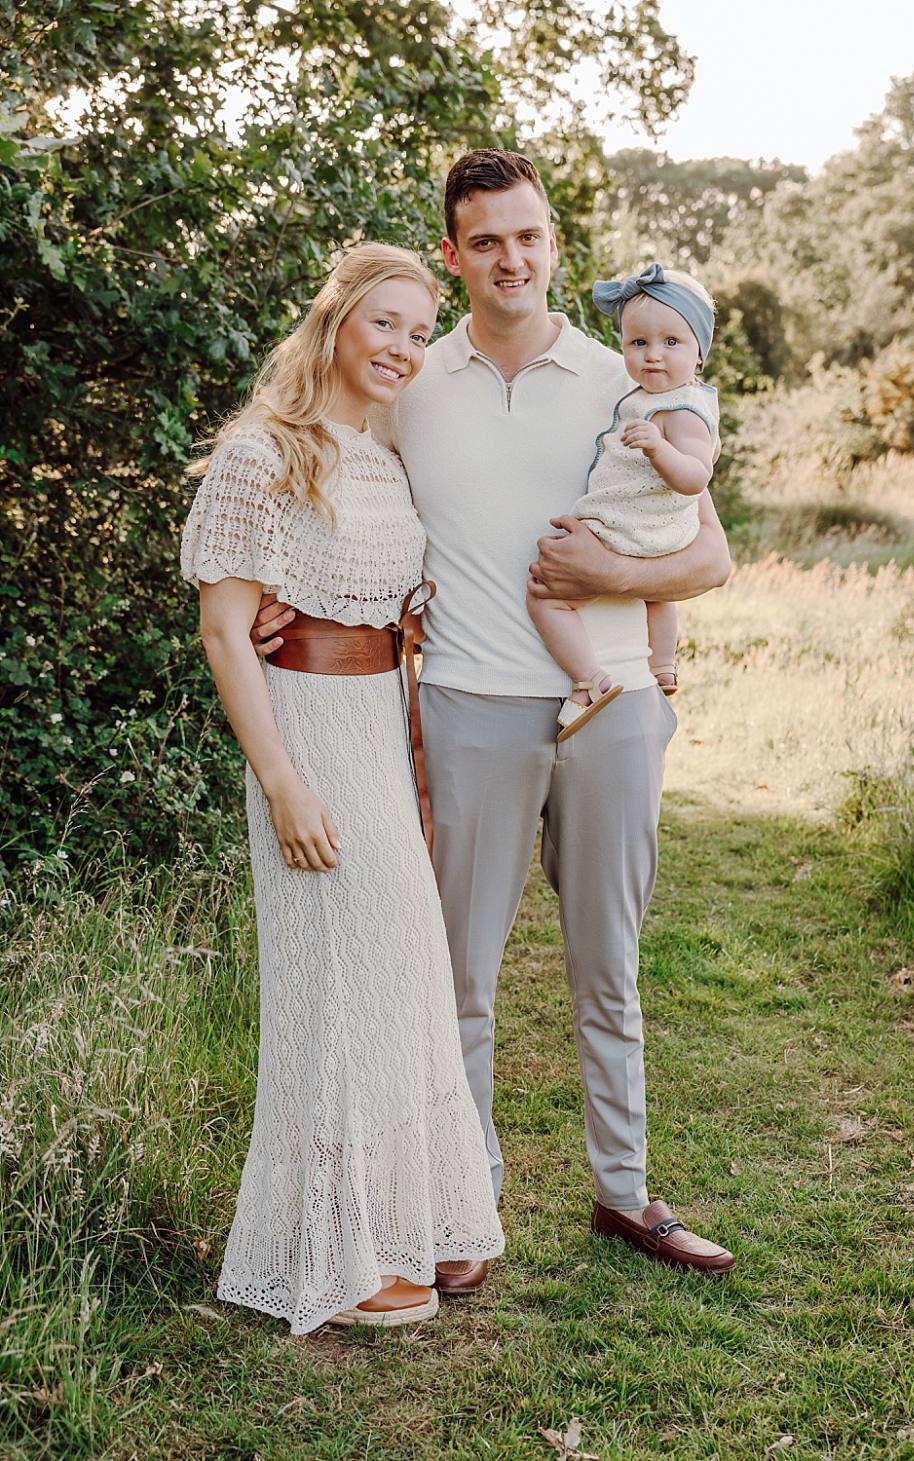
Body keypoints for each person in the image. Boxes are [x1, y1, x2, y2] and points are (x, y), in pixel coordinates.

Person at [252, 150, 737, 1290]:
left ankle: (626, 1195)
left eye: (527, 236)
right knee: (456, 975)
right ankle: (460, 1204)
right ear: (454, 255)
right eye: (485, 241)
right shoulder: (411, 381)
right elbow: (332, 494)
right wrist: (277, 592)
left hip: (613, 703)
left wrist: (606, 568)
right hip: (468, 703)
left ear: (553, 240)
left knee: (607, 968)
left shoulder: (622, 376)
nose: (509, 258)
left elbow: (709, 553)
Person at [183, 243, 504, 1333]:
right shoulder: (257, 452)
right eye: (387, 324)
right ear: (334, 323)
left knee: (396, 974)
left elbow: (385, 591)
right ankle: (335, 1250)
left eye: (421, 331)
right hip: (307, 740)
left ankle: (392, 1220)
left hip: (377, 727)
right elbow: (229, 633)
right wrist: (280, 782)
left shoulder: (379, 452)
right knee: (336, 991)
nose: (405, 348)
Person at [530, 262, 719, 740]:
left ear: (700, 355)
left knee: (544, 595)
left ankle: (588, 680)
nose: (653, 356)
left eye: (671, 343)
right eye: (639, 343)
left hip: (629, 527)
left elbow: (696, 477)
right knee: (658, 591)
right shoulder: (645, 394)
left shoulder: (685, 411)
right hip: (657, 532)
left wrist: (658, 447)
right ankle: (664, 663)